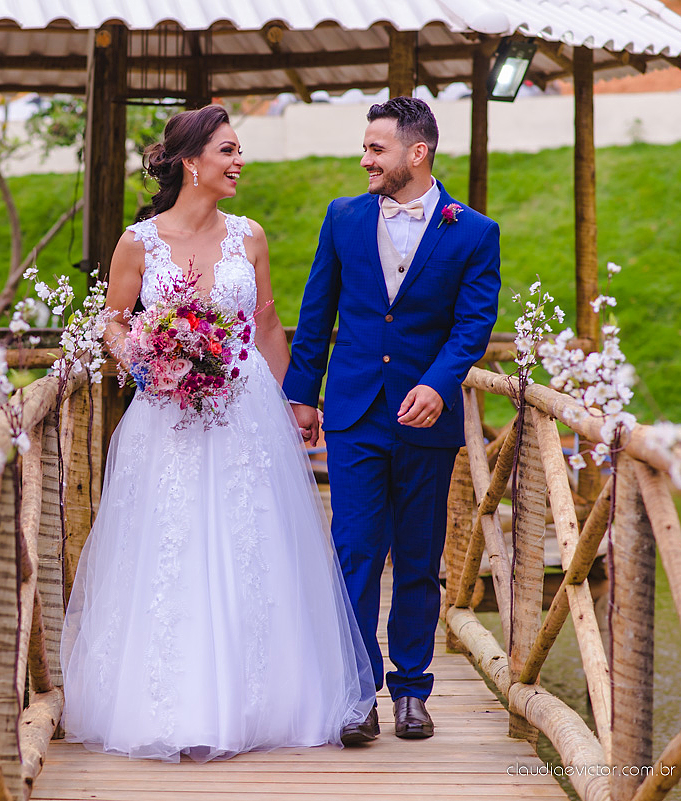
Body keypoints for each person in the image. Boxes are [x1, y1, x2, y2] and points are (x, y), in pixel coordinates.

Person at [60, 105, 375, 762]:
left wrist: (297, 402)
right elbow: (113, 320)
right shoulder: (138, 242)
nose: (239, 162)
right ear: (190, 163)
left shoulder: (249, 236)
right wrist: (147, 356)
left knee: (250, 539)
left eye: (238, 151)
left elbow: (267, 325)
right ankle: (170, 701)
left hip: (244, 409)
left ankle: (262, 697)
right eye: (228, 151)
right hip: (166, 415)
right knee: (170, 542)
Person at [284, 97, 501, 741]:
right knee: (353, 552)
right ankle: (357, 694)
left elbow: (473, 325)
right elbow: (317, 309)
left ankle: (412, 690)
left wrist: (439, 383)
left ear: (417, 152)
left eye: (376, 149)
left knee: (417, 556)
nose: (365, 160)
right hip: (354, 413)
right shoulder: (343, 217)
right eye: (365, 147)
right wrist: (302, 394)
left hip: (424, 419)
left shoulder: (473, 232)